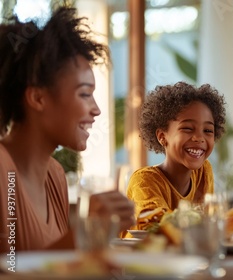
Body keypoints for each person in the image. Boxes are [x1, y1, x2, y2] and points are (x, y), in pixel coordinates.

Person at [0, 7, 134, 252]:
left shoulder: (55, 175)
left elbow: (59, 270)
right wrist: (83, 234)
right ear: (38, 98)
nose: (96, 110)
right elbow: (9, 268)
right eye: (84, 94)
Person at [125, 82, 226, 233]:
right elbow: (156, 227)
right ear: (162, 137)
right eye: (187, 128)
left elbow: (207, 223)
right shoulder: (144, 181)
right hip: (141, 254)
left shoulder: (204, 171)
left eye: (208, 130)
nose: (199, 138)